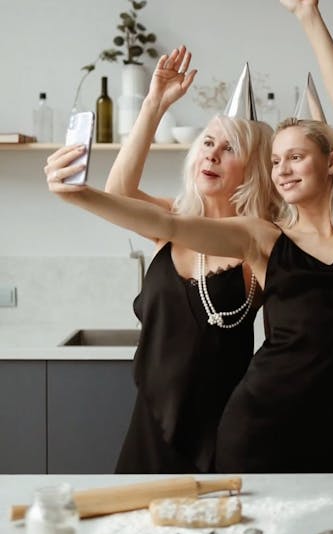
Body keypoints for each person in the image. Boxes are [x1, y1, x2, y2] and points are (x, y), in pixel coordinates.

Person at [45, 0, 333, 472]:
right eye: (276, 161)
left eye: (296, 157)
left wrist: (309, 17)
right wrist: (80, 195)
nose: (284, 169)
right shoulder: (263, 237)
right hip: (253, 425)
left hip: (332, 431)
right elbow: (163, 219)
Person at [46, 47, 278, 474]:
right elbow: (119, 192)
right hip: (151, 421)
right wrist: (153, 105)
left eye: (230, 149)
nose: (212, 154)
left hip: (225, 424)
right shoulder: (170, 220)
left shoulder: (262, 240)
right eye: (208, 142)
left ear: (255, 169)